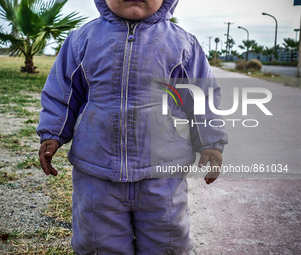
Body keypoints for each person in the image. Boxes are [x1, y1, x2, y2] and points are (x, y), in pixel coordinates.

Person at [37, 0, 228, 254]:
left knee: (167, 243)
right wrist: (52, 133)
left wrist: (211, 142)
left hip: (162, 177)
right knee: (99, 243)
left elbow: (203, 98)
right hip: (97, 174)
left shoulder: (184, 45)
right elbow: (62, 93)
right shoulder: (81, 40)